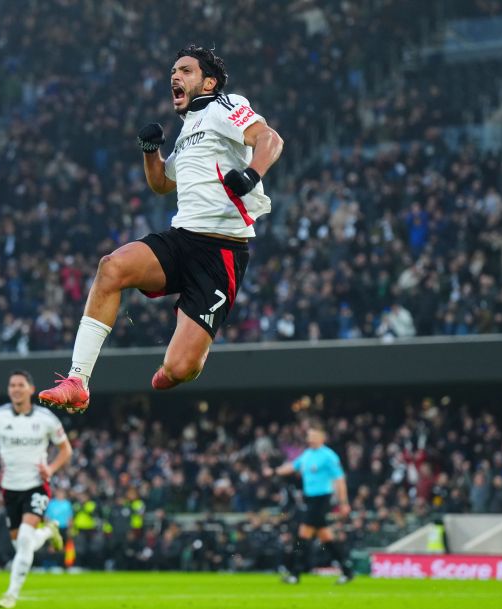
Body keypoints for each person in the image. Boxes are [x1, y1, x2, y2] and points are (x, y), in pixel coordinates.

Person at [38, 44, 284, 413]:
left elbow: (270, 139)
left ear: (209, 82)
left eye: (185, 70)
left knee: (181, 368)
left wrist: (250, 175)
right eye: (173, 72)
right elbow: (162, 184)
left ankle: (178, 365)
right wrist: (150, 151)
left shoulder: (223, 106)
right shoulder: (187, 132)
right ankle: (78, 381)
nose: (175, 76)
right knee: (112, 267)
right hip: (182, 238)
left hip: (221, 253)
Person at [0, 370, 74, 608]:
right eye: (12, 385)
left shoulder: (46, 418)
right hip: (10, 489)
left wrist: (50, 469)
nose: (16, 389)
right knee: (22, 543)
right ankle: (48, 531)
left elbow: (66, 450)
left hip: (36, 486)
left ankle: (11, 595)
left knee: (23, 539)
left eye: (21, 385)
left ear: (31, 389)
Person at [264, 423, 354, 584]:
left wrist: (343, 503)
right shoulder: (307, 454)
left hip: (322, 499)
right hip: (310, 499)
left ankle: (295, 573)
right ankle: (347, 571)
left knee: (303, 534)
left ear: (322, 438)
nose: (310, 439)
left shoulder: (329, 456)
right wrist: (274, 471)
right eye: (309, 436)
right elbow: (293, 466)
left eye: (313, 436)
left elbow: (340, 480)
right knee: (325, 537)